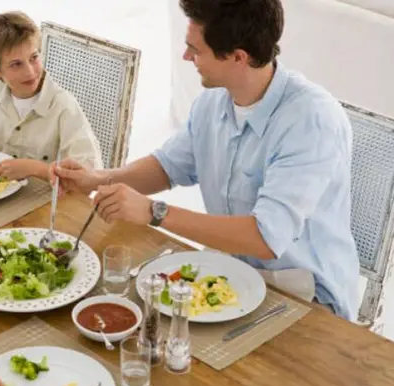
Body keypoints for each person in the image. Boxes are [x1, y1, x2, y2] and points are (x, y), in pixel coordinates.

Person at [53, 0, 359, 319]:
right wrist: (98, 179)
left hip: (306, 298)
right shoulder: (213, 101)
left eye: (196, 50)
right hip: (232, 276)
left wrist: (152, 212)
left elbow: (265, 237)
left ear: (239, 57)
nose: (187, 57)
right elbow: (168, 166)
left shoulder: (310, 121)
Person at [0, 11, 103, 181]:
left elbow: (88, 174)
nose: (30, 71)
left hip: (47, 201)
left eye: (34, 57)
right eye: (16, 64)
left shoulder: (64, 107)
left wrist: (36, 169)